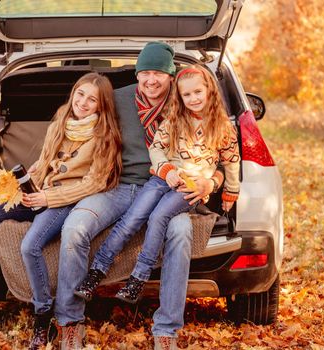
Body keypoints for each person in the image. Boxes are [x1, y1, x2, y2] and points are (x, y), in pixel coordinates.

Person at [54, 42, 225, 350]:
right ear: (137, 73)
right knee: (75, 226)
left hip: (171, 192)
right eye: (145, 72)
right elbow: (75, 124)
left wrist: (211, 183)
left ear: (171, 76)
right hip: (117, 187)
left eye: (158, 73)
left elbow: (221, 153)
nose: (151, 80)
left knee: (182, 231)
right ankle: (69, 322)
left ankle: (166, 330)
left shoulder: (188, 99)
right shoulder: (117, 100)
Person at [0, 73, 122, 347]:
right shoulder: (61, 121)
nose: (82, 102)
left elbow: (93, 183)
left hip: (63, 201)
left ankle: (42, 314)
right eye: (80, 94)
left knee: (30, 245)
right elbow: (45, 160)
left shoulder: (104, 137)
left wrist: (48, 198)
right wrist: (27, 181)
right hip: (38, 192)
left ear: (101, 105)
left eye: (91, 99)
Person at [74, 65, 240, 305]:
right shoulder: (175, 119)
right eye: (187, 95)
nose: (193, 99)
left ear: (210, 92)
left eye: (198, 92)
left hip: (190, 187)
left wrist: (230, 192)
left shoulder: (223, 127)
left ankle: (138, 278)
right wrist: (166, 169)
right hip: (163, 178)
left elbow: (231, 161)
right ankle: (97, 271)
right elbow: (157, 148)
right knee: (132, 217)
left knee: (158, 217)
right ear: (180, 97)